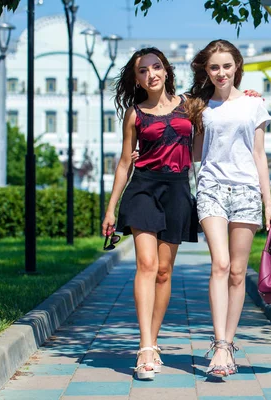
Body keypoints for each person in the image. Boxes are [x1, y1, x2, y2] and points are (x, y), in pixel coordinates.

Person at [185, 39, 271, 378]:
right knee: (221, 264)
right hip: (211, 189)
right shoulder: (199, 106)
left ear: (237, 66)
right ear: (206, 71)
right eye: (214, 67)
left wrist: (268, 204)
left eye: (227, 66)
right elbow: (195, 154)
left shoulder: (254, 105)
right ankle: (219, 345)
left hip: (246, 191)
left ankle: (228, 345)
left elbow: (259, 155)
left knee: (238, 272)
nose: (221, 72)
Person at [102, 47, 197, 381]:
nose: (151, 74)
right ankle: (144, 348)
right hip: (143, 189)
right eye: (143, 71)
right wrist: (111, 208)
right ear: (137, 79)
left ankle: (153, 343)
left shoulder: (190, 105)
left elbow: (223, 98)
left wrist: (249, 94)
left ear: (167, 71)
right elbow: (125, 162)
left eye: (156, 67)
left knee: (164, 272)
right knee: (147, 264)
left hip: (177, 191)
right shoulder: (135, 114)